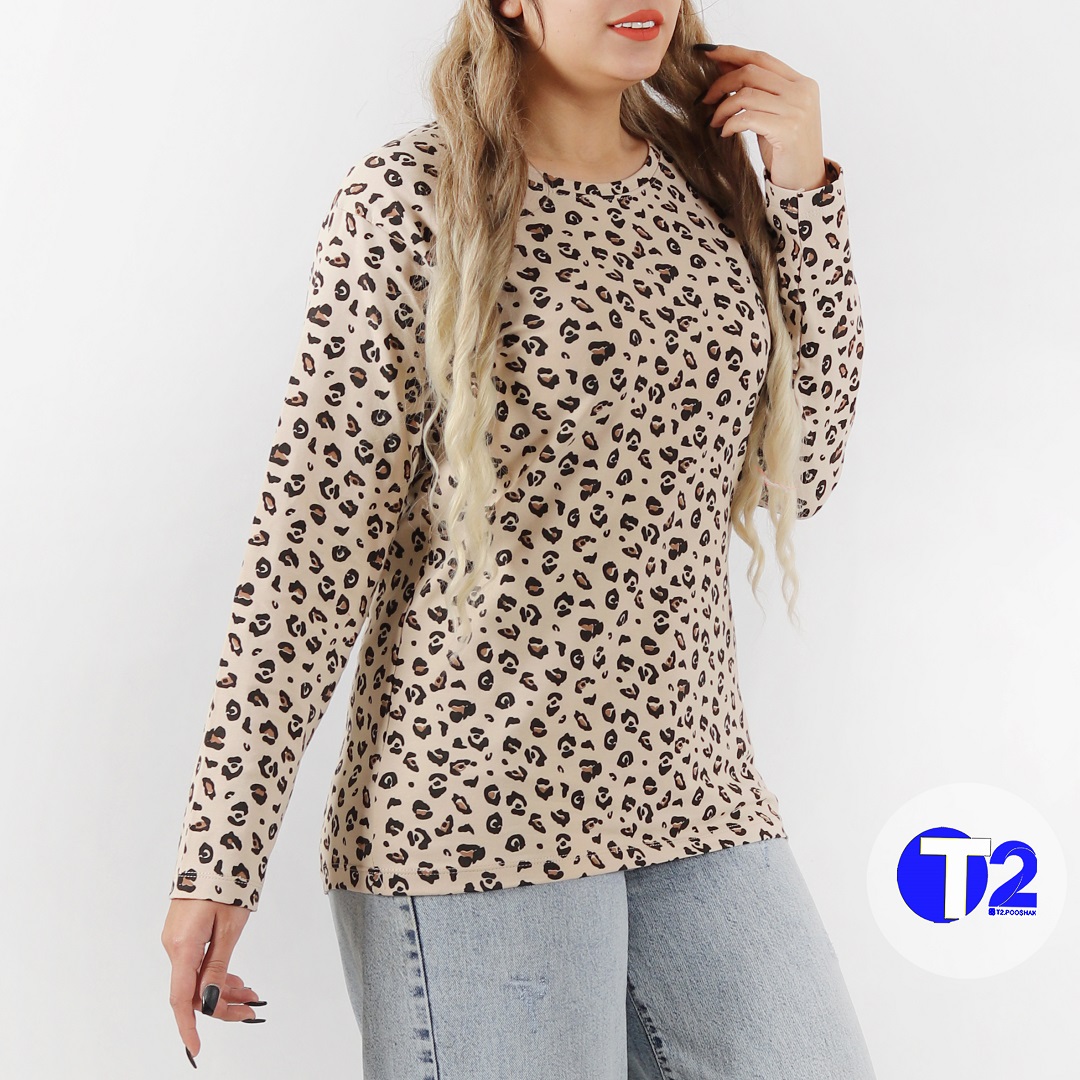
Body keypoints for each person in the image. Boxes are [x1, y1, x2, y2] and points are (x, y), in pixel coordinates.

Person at [161, 2, 875, 1076]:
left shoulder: (707, 187)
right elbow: (310, 547)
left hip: (696, 794)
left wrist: (807, 194)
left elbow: (797, 475)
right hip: (478, 808)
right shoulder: (412, 198)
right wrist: (221, 852)